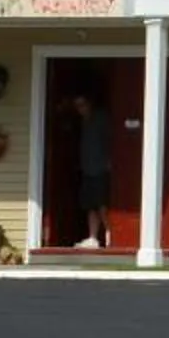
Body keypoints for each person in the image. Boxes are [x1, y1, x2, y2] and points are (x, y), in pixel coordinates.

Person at [70, 90, 114, 249]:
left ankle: (111, 233)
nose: (79, 109)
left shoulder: (101, 119)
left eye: (82, 105)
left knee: (102, 204)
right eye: (77, 106)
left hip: (101, 167)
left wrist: (110, 160)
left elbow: (111, 139)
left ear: (89, 104)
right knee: (90, 205)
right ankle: (93, 237)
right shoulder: (83, 122)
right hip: (87, 168)